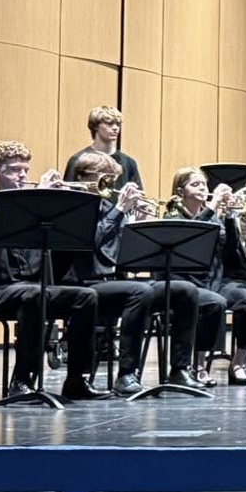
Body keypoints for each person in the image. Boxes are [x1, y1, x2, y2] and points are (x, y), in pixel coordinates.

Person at [0, 142, 108, 401]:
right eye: (14, 170)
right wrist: (40, 198)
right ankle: (21, 381)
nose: (22, 175)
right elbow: (3, 230)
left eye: (25, 170)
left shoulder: (41, 212)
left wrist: (63, 205)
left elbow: (73, 241)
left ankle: (76, 379)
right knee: (34, 296)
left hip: (32, 290)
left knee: (87, 297)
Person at [63, 150, 208, 396]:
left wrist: (138, 224)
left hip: (114, 281)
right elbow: (91, 240)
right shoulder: (72, 208)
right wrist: (119, 210)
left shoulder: (108, 207)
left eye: (111, 179)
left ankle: (180, 369)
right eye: (104, 179)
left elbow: (125, 253)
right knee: (139, 291)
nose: (110, 185)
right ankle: (127, 373)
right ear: (83, 177)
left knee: (185, 290)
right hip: (83, 283)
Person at [167, 167, 246, 384]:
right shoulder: (173, 213)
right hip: (185, 282)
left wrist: (231, 219)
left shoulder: (215, 217)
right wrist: (212, 207)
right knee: (214, 303)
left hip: (216, 279)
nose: (202, 188)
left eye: (204, 184)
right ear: (180, 191)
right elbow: (193, 237)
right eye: (195, 184)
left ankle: (238, 363)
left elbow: (230, 254)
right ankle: (200, 366)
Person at [67, 106, 142, 190]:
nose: (115, 128)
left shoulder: (129, 162)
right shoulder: (77, 159)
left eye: (118, 124)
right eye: (109, 123)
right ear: (95, 126)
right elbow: (69, 195)